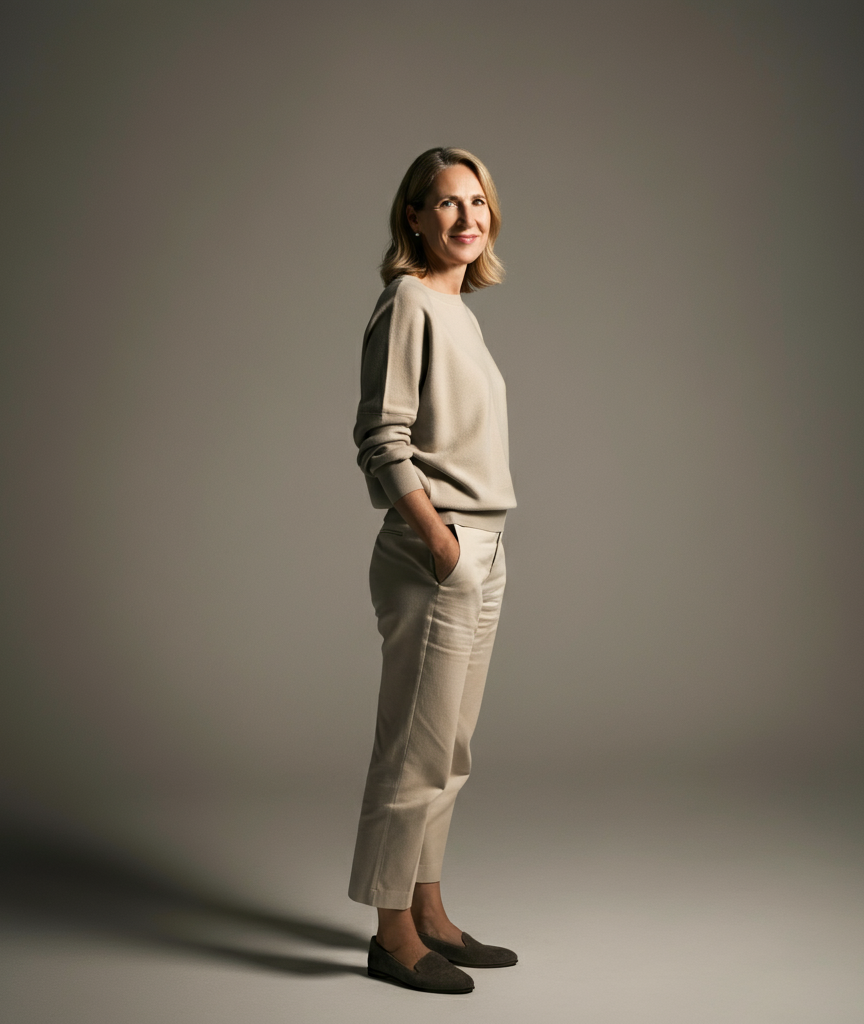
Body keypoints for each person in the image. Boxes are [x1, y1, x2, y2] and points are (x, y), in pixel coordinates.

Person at [349, 147, 518, 994]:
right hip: (436, 553)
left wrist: (475, 545)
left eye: (477, 201)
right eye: (447, 204)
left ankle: (429, 912)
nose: (466, 218)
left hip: (483, 545)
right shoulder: (408, 301)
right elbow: (383, 440)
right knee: (412, 753)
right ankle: (389, 935)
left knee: (449, 750)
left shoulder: (460, 310)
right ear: (413, 216)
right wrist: (440, 541)